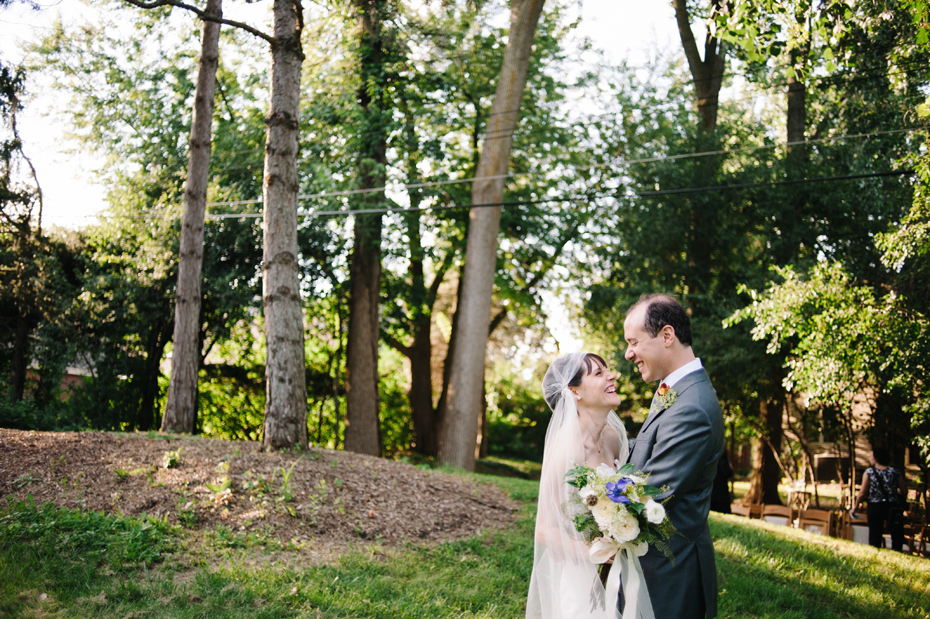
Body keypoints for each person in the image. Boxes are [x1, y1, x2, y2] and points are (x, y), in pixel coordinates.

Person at [621, 294, 724, 619]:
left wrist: (593, 515)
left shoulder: (692, 407)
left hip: (670, 578)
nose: (628, 353)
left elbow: (650, 494)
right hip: (655, 568)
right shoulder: (678, 389)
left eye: (634, 341)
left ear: (667, 336)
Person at [526, 352, 630, 619]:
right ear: (574, 392)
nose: (612, 375)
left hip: (622, 567)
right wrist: (595, 552)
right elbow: (544, 530)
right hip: (582, 575)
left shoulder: (611, 438)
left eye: (607, 369)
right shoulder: (567, 448)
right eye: (598, 373)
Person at [850, 446, 907, 551]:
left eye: (871, 456)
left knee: (875, 534)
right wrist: (893, 492)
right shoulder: (895, 472)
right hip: (892, 507)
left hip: (875, 506)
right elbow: (904, 491)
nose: (870, 458)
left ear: (876, 458)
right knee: (896, 534)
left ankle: (875, 553)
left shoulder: (869, 472)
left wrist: (856, 507)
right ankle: (897, 552)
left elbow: (862, 493)